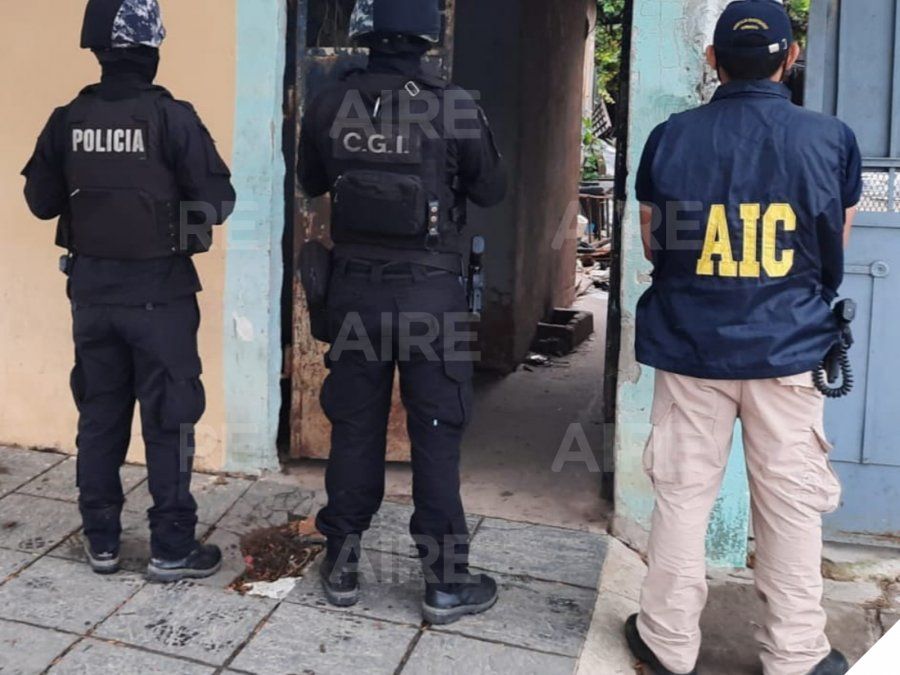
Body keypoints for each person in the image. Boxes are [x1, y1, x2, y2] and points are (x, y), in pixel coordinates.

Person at [627, 1, 861, 674]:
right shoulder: (830, 138)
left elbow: (654, 241)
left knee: (681, 494)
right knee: (790, 504)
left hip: (691, 346)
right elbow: (833, 247)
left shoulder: (671, 136)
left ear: (712, 61)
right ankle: (793, 654)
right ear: (791, 59)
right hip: (788, 352)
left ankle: (667, 643)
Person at [298, 0, 506, 625]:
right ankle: (445, 584)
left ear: (365, 31)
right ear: (426, 37)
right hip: (431, 299)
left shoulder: (331, 102)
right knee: (436, 437)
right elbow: (492, 190)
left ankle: (341, 563)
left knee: (355, 429)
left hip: (355, 293)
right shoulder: (454, 106)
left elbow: (311, 182)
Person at [22, 0, 235, 582]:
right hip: (160, 297)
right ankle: (171, 548)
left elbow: (41, 203)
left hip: (91, 297)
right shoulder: (174, 118)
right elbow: (217, 203)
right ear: (153, 48)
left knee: (98, 417)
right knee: (170, 420)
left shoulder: (67, 117)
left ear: (96, 49)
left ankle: (102, 542)